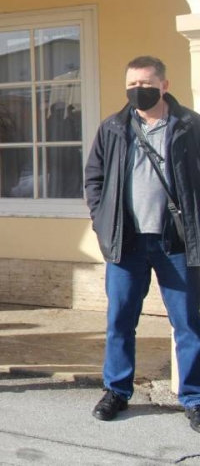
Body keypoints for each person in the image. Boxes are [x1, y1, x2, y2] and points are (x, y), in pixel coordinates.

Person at [85, 55, 200, 431]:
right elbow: (94, 177)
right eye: (131, 84)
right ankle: (117, 390)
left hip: (176, 244)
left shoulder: (190, 126)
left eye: (146, 84)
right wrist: (103, 222)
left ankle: (194, 397)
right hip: (126, 243)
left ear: (164, 85)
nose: (138, 90)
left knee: (188, 323)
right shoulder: (114, 127)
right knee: (120, 321)